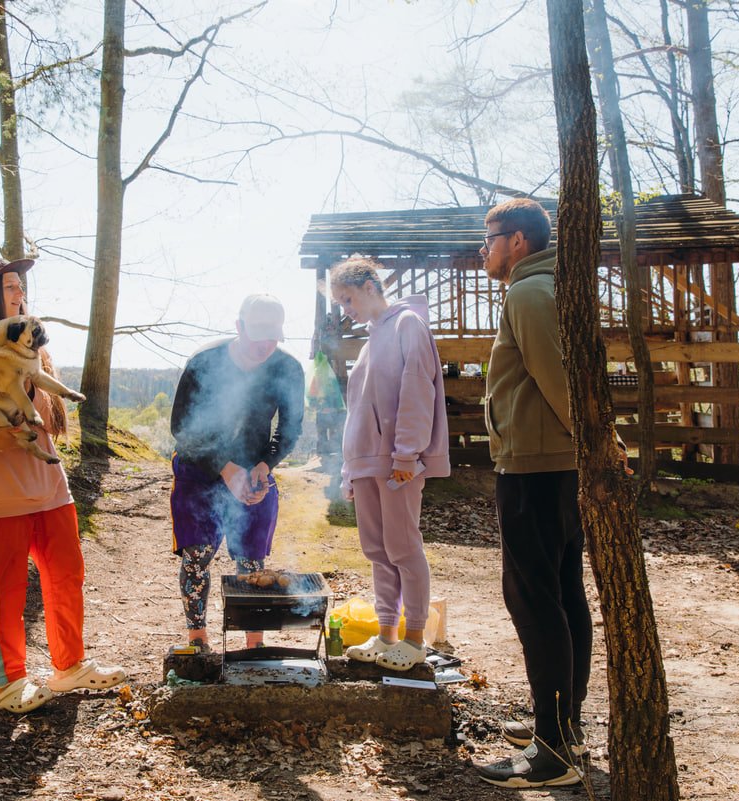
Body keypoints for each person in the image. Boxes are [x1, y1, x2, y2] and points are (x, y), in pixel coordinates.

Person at [0, 257, 127, 714]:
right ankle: (10, 683)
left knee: (67, 577)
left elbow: (47, 420)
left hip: (51, 489)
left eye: (22, 286)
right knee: (7, 592)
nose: (20, 293)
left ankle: (70, 666)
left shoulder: (34, 346)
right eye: (10, 286)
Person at [473, 199, 593, 787]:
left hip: (536, 470)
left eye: (489, 237)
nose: (483, 248)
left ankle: (554, 754)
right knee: (561, 594)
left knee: (533, 600)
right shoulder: (541, 287)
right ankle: (561, 727)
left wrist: (596, 451)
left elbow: (558, 379)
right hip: (548, 466)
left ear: (517, 241)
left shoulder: (528, 293)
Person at [329, 258, 450, 672]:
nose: (345, 308)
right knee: (378, 552)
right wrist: (350, 469)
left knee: (403, 548)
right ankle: (386, 636)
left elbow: (418, 389)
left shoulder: (407, 325)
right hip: (366, 464)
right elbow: (358, 410)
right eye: (339, 302)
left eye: (347, 298)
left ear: (368, 286)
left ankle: (415, 640)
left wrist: (406, 454)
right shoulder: (368, 342)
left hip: (396, 462)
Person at [169, 294, 305, 651]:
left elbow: (289, 430)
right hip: (200, 469)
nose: (266, 344)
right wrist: (225, 468)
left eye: (273, 336)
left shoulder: (287, 368)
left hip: (253, 471)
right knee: (197, 556)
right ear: (239, 327)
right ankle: (198, 640)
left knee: (251, 560)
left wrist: (265, 465)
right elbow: (182, 429)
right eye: (258, 334)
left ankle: (253, 644)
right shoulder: (204, 362)